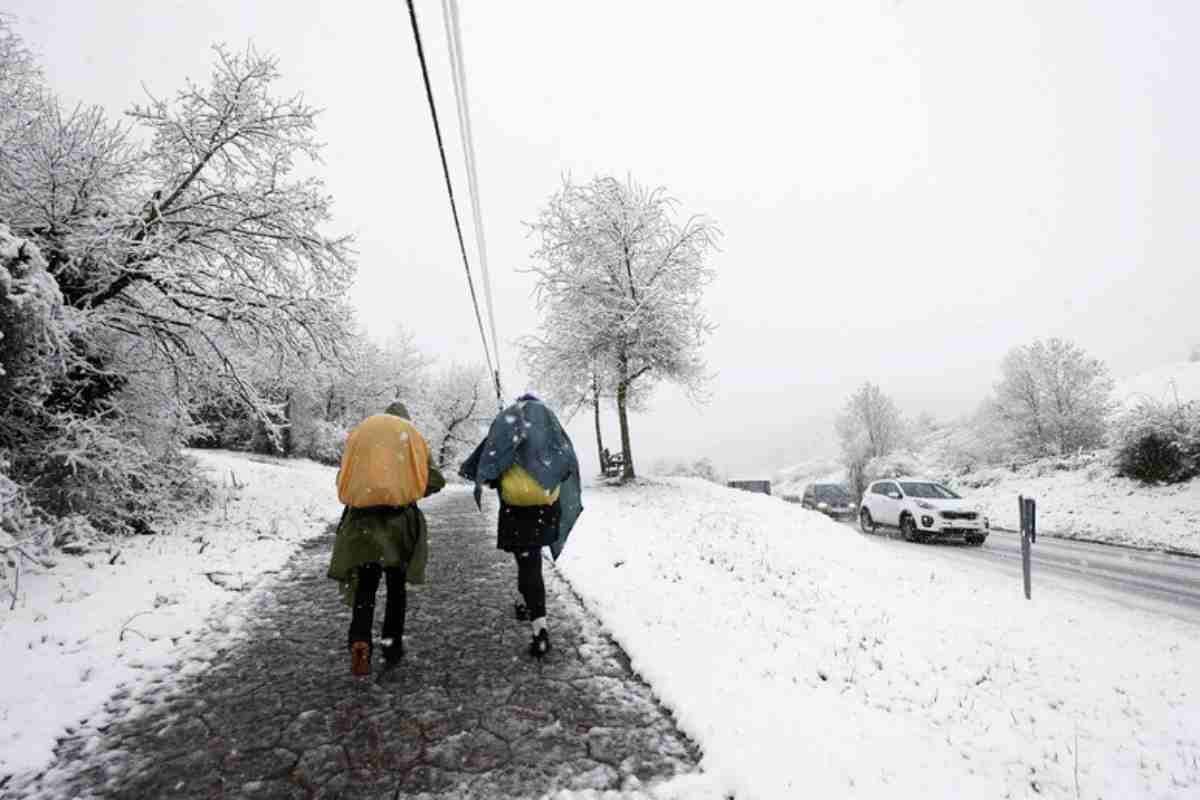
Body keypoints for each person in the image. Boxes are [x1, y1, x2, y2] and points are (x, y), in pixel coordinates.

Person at [460, 394, 583, 658]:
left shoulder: (507, 422)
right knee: (530, 558)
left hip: (515, 508)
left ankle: (539, 627)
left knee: (527, 560)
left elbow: (487, 465)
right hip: (545, 507)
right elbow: (566, 462)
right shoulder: (549, 422)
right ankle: (527, 606)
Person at [327, 401, 445, 676]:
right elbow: (436, 479)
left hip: (362, 525)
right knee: (396, 588)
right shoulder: (411, 438)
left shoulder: (362, 436)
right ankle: (391, 645)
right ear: (406, 420)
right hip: (399, 524)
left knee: (366, 587)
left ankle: (360, 641)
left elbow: (343, 477)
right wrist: (409, 488)